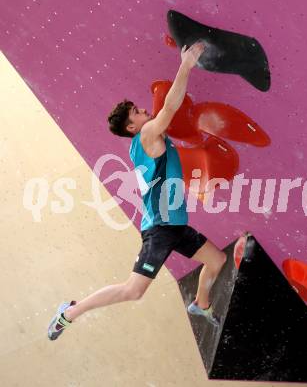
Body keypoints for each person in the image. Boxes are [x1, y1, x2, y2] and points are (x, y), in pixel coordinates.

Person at [48, 42, 227, 341]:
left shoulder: (141, 142)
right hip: (160, 229)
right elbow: (170, 107)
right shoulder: (146, 135)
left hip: (176, 225)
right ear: (132, 127)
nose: (144, 110)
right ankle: (69, 313)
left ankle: (201, 304)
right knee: (134, 291)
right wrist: (186, 64)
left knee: (217, 260)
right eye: (137, 112)